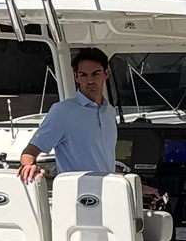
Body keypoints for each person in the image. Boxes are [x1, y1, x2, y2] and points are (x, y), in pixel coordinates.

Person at [18, 48, 159, 201]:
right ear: (76, 77)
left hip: (108, 197)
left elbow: (104, 165)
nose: (90, 80)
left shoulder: (109, 112)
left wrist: (136, 188)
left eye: (95, 74)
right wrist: (28, 166)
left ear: (106, 73)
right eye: (83, 75)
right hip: (78, 201)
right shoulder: (62, 112)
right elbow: (30, 151)